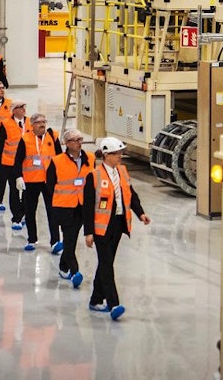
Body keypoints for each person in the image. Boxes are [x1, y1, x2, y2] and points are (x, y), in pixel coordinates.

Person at [83, 137, 150, 320]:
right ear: (106, 155)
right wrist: (88, 232)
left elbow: (131, 194)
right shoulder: (94, 176)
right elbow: (87, 207)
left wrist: (140, 213)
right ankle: (114, 304)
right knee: (106, 265)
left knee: (106, 263)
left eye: (120, 153)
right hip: (101, 228)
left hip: (119, 224)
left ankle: (96, 299)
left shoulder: (122, 171)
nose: (120, 156)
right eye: (117, 153)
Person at [47, 129, 92, 287]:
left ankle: (63, 266)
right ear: (67, 143)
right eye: (75, 140)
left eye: (81, 139)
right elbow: (50, 185)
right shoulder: (57, 161)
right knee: (69, 239)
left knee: (71, 239)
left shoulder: (90, 159)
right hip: (64, 206)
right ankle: (75, 271)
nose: (79, 142)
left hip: (82, 207)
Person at [13, 113, 61, 252]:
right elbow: (18, 160)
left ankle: (55, 241)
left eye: (44, 122)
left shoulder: (53, 137)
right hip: (31, 180)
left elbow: (60, 159)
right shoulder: (25, 139)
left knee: (52, 211)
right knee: (30, 211)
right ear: (32, 125)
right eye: (39, 122)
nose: (42, 125)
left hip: (49, 181)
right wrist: (18, 177)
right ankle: (32, 239)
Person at [0, 101, 29, 224]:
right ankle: (16, 217)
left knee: (27, 190)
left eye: (24, 107)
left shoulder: (30, 122)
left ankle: (24, 213)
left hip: (27, 163)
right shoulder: (6, 123)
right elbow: (0, 143)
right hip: (10, 162)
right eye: (20, 107)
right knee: (14, 190)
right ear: (13, 110)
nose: (23, 109)